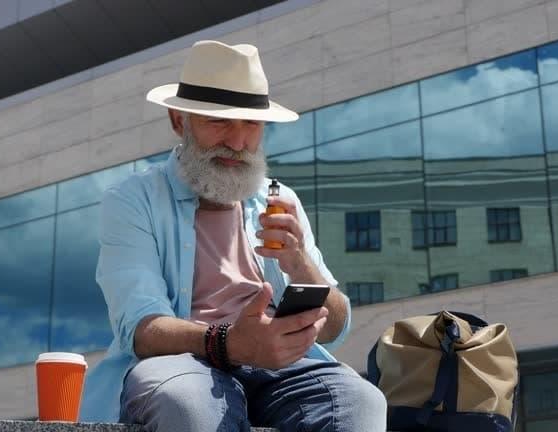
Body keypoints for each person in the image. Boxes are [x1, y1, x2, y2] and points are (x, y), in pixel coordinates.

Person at [80, 40, 387, 431]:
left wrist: (300, 263)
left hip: (283, 369)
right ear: (179, 120)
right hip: (183, 364)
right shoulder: (133, 199)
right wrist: (230, 342)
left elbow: (335, 328)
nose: (238, 142)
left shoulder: (280, 200)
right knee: (187, 403)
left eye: (251, 123)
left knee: (361, 401)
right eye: (220, 122)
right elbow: (142, 329)